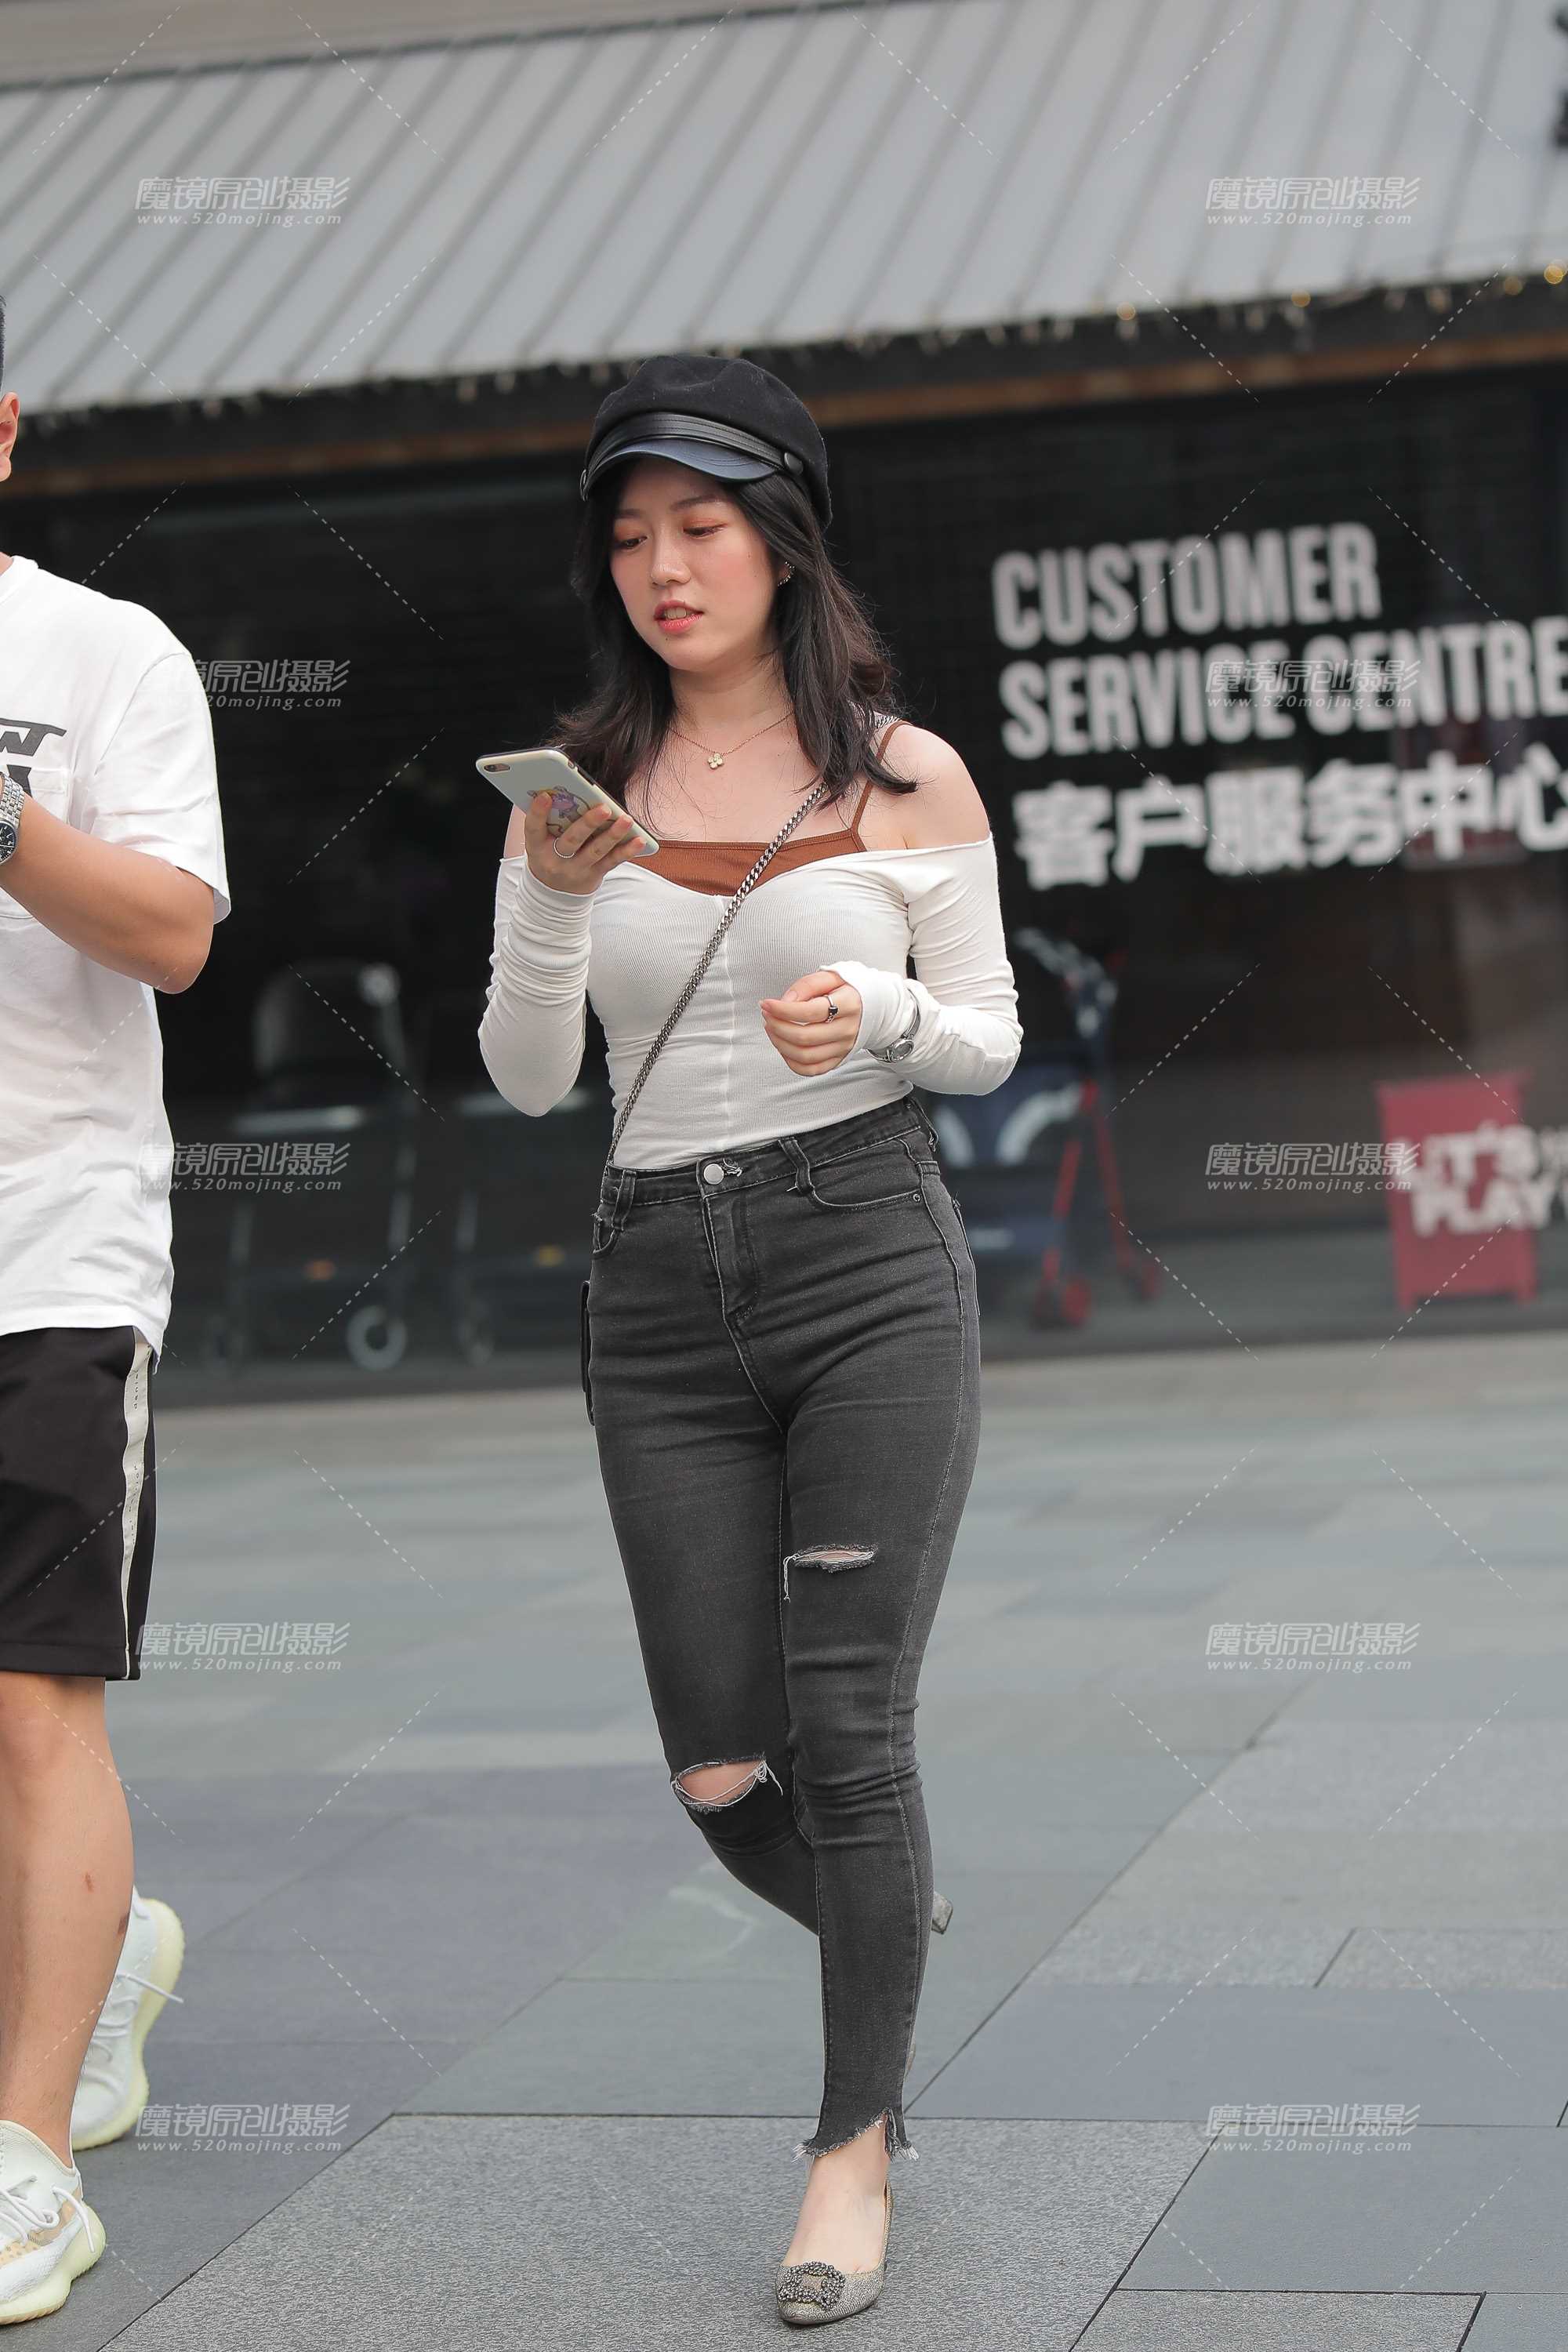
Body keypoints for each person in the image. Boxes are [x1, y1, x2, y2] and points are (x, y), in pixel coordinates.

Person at [479, 351, 1021, 2328]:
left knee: (849, 1732)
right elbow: (527, 1076)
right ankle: (882, 1909)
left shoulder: (905, 776)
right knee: (721, 1766)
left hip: (863, 1252)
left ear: (782, 540)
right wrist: (551, 909)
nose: (664, 568)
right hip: (650, 1286)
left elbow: (985, 1038)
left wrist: (874, 1018)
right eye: (630, 536)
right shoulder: (572, 794)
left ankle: (848, 2150)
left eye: (699, 527)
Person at [0, 296, 229, 2324]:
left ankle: (30, 2165)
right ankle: (107, 1955)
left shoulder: (105, 654)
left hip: (45, 1247)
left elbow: (170, 933)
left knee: (30, 1699)